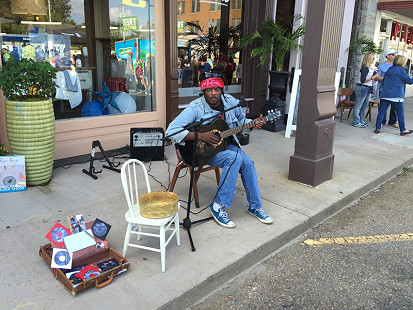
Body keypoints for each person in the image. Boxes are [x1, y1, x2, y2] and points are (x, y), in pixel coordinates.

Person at [166, 73, 273, 228]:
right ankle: (218, 206)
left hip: (226, 145)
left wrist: (252, 124)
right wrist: (201, 136)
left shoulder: (231, 102)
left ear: (222, 89)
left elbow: (241, 122)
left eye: (217, 88)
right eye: (209, 89)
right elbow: (171, 131)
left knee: (248, 163)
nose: (213, 93)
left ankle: (255, 206)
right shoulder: (195, 107)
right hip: (202, 151)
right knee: (234, 158)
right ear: (203, 90)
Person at [374, 55, 413, 136]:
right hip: (396, 95)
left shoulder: (390, 69)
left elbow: (383, 81)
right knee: (400, 113)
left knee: (381, 112)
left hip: (385, 94)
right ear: (402, 62)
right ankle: (403, 130)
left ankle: (377, 128)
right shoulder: (401, 70)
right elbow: (409, 81)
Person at [352, 52, 379, 128]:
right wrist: (373, 77)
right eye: (373, 58)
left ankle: (361, 120)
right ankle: (356, 121)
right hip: (362, 87)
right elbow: (363, 80)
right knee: (358, 105)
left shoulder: (370, 68)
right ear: (370, 59)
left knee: (365, 105)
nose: (374, 60)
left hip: (367, 87)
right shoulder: (365, 68)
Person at [375, 49, 399, 128]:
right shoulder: (381, 66)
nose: (394, 56)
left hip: (394, 89)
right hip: (384, 89)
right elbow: (376, 77)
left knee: (394, 106)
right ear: (387, 56)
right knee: (383, 106)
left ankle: (393, 121)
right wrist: (386, 79)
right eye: (393, 54)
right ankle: (382, 121)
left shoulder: (396, 66)